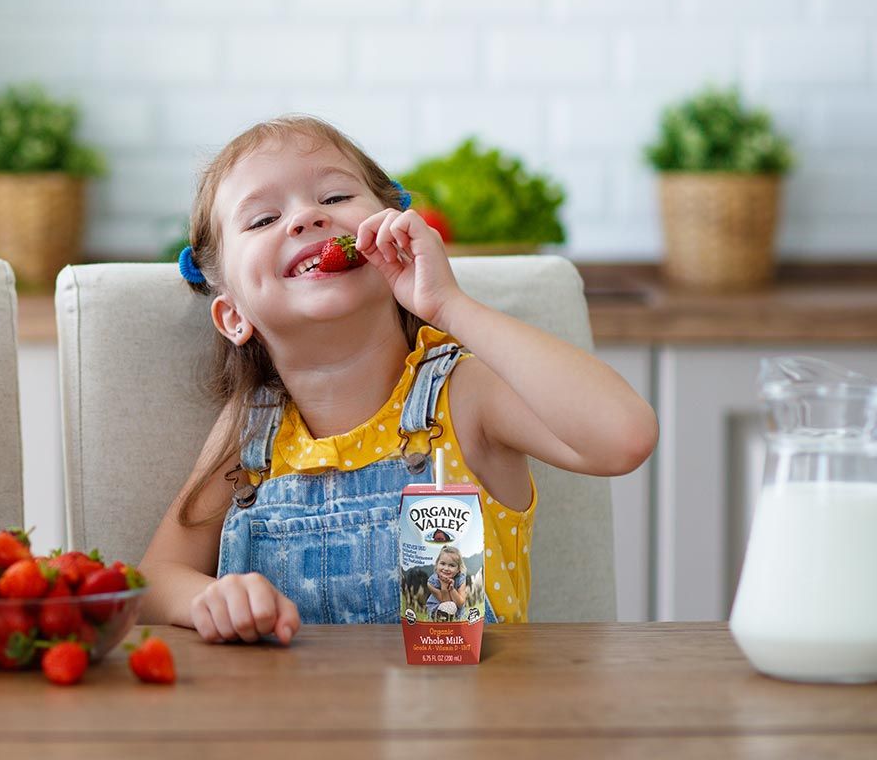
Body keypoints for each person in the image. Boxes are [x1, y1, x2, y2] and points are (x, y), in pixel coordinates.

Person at [138, 115, 656, 644]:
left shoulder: (464, 396)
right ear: (232, 316)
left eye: (336, 197)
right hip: (294, 721)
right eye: (263, 218)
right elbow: (153, 582)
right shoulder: (251, 433)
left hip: (467, 720)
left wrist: (449, 305)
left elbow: (625, 437)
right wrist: (213, 599)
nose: (307, 218)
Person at [426, 546, 469, 621]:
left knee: (455, 609)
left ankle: (454, 620)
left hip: (456, 612)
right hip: (437, 609)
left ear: (458, 569)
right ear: (437, 564)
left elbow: (460, 603)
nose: (446, 568)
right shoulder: (432, 583)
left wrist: (452, 589)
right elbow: (446, 602)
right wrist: (444, 585)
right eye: (442, 564)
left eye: (451, 565)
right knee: (450, 606)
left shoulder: (460, 579)